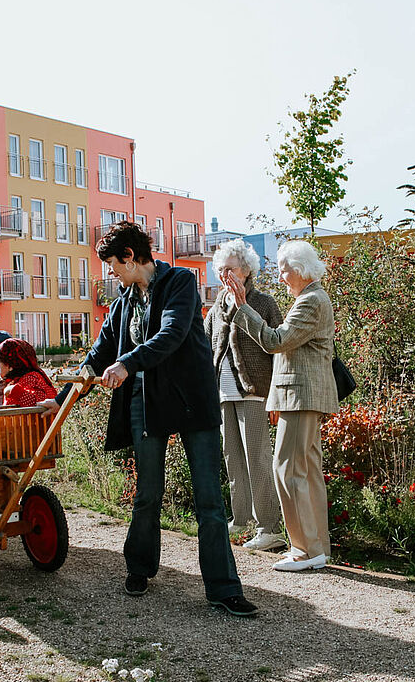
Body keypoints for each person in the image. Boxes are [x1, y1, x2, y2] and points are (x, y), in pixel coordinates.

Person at [40, 221, 258, 617]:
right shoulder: (124, 300)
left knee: (208, 500)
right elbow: (100, 350)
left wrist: (127, 363)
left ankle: (223, 588)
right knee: (147, 494)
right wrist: (61, 397)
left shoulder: (179, 282)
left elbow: (171, 334)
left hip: (191, 399)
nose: (109, 272)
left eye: (111, 264)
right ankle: (140, 567)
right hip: (147, 400)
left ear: (129, 257)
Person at [222, 240, 337, 572]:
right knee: (305, 470)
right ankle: (316, 549)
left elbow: (275, 342)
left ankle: (305, 550)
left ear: (299, 270)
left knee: (287, 469)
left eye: (284, 270)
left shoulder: (311, 301)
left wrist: (242, 306)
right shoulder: (311, 298)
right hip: (300, 397)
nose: (282, 277)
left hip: (302, 398)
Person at [204, 239, 284, 552]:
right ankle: (241, 521)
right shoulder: (216, 307)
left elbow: (280, 350)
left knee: (257, 460)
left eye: (231, 269)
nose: (225, 275)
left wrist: (277, 394)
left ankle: (270, 527)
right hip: (223, 394)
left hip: (255, 393)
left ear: (246, 270)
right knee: (233, 460)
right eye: (221, 270)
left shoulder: (263, 303)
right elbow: (206, 345)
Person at [0, 338, 57, 406]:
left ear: (10, 365)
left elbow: (41, 402)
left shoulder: (30, 379)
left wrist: (15, 391)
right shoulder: (19, 380)